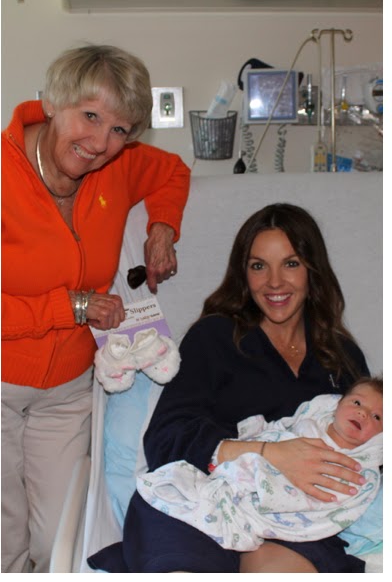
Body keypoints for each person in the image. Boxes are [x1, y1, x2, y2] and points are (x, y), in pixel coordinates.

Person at [88, 203, 372, 573]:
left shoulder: (340, 355)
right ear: (243, 273)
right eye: (258, 266)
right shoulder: (215, 337)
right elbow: (165, 439)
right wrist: (271, 454)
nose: (274, 282)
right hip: (197, 500)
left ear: (312, 270)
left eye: (290, 263)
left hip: (295, 518)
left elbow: (374, 444)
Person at [0, 44, 191, 572]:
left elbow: (173, 171)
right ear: (52, 103)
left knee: (59, 541)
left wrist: (161, 228)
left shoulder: (120, 166)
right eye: (89, 116)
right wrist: (72, 307)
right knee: (2, 541)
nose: (100, 143)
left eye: (119, 129)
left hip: (67, 392)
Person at [137, 377, 382, 551]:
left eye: (377, 417)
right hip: (237, 471)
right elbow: (278, 430)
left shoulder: (361, 469)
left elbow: (341, 502)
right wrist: (265, 447)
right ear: (337, 404)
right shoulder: (309, 422)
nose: (363, 413)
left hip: (294, 526)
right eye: (357, 403)